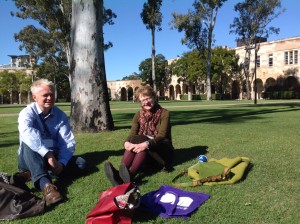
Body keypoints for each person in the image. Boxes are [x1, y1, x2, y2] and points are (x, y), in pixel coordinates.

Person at [17, 79, 86, 206]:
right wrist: (48, 156)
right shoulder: (26, 113)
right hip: (29, 156)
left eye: (52, 94)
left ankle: (31, 174)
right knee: (29, 141)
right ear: (34, 97)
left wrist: (61, 163)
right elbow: (28, 135)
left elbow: (67, 141)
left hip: (54, 156)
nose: (50, 98)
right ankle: (47, 186)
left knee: (81, 163)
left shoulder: (60, 115)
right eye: (45, 95)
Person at [104, 85, 174, 186]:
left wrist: (146, 143)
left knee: (139, 139)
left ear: (154, 97)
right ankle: (124, 175)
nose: (146, 102)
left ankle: (127, 175)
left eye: (148, 98)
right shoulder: (138, 115)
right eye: (142, 100)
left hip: (162, 150)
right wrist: (126, 143)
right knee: (135, 140)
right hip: (145, 149)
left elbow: (162, 136)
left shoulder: (164, 113)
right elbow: (132, 134)